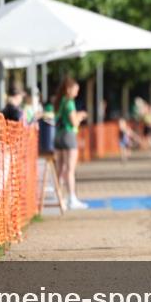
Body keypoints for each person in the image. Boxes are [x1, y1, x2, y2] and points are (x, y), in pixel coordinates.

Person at [53, 77, 89, 210]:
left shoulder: (60, 101)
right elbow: (73, 122)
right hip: (69, 135)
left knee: (59, 169)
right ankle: (72, 198)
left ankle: (57, 196)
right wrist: (80, 117)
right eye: (75, 90)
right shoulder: (69, 102)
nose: (77, 93)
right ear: (68, 89)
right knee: (70, 170)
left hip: (58, 136)